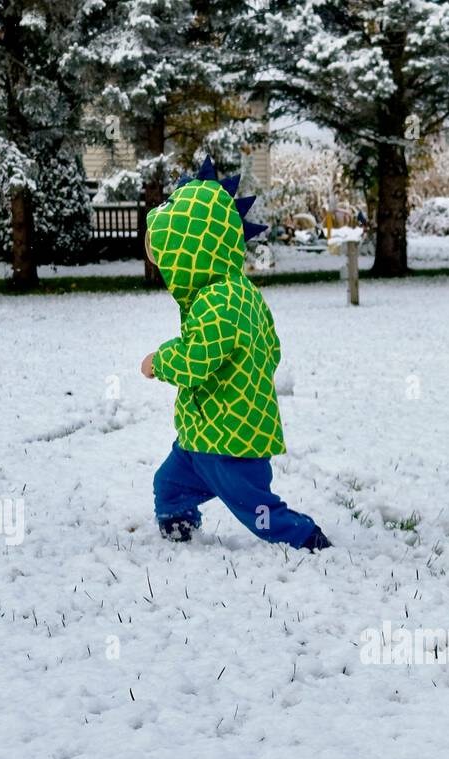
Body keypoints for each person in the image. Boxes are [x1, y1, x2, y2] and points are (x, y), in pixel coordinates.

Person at [140, 160, 331, 552]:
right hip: (201, 433)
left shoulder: (218, 300)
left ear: (192, 253)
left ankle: (304, 537)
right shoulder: (239, 291)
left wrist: (160, 361)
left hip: (230, 437)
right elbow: (272, 346)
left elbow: (197, 359)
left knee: (256, 507)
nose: (162, 265)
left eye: (167, 252)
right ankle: (179, 527)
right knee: (169, 485)